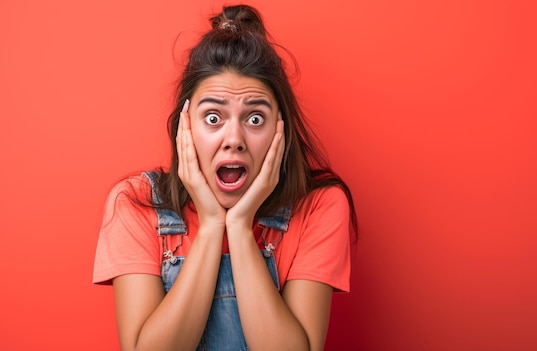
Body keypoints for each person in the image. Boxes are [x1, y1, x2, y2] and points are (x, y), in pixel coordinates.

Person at [92, 4, 358, 351]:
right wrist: (212, 223)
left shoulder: (319, 206)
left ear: (283, 128)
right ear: (185, 126)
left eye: (255, 119)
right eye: (213, 118)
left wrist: (241, 226)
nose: (234, 139)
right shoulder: (134, 203)